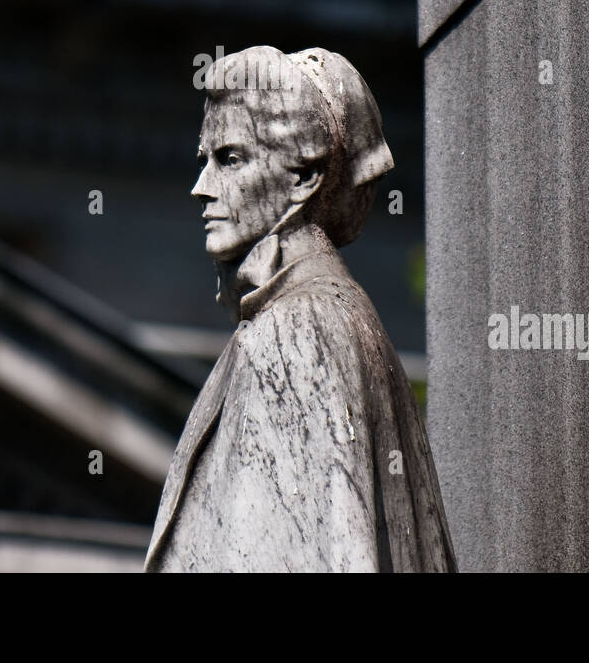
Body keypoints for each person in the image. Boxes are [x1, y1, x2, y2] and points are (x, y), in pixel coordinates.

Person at [145, 45, 456, 572]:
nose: (202, 188)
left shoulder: (296, 330)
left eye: (230, 158)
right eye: (205, 161)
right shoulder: (332, 315)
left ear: (305, 178)